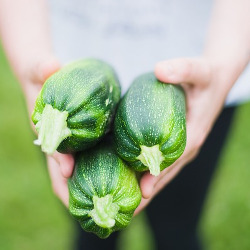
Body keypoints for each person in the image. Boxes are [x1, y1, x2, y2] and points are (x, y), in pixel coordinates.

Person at [0, 0, 249, 249]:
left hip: (201, 68)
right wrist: (29, 55)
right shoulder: (60, 103)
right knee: (92, 234)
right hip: (68, 71)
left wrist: (223, 66)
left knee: (177, 227)